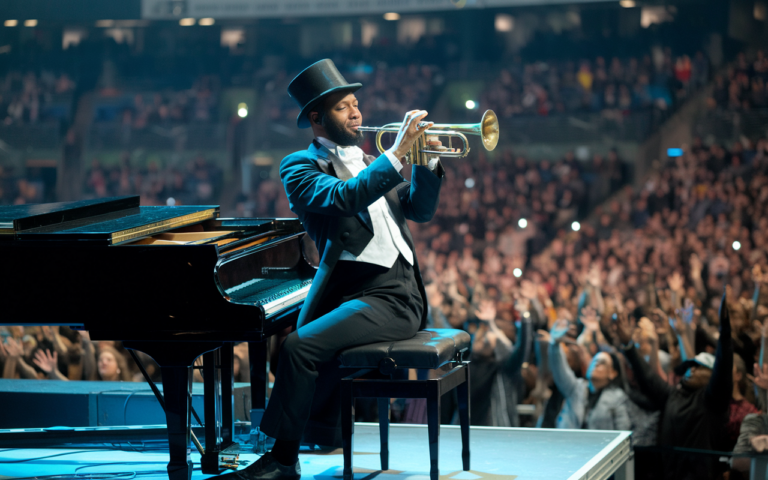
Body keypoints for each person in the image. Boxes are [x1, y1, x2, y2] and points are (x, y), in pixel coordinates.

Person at [222, 59, 445, 479]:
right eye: (344, 107)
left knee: (299, 347)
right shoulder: (298, 167)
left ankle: (282, 462)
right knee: (298, 348)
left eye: (356, 103)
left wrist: (427, 163)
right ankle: (287, 454)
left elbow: (421, 209)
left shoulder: (369, 161)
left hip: (398, 295)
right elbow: (345, 198)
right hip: (359, 292)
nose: (357, 112)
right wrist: (396, 155)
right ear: (316, 117)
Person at [614, 291, 733, 480]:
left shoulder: (713, 401)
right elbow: (648, 378)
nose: (690, 370)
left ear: (712, 376)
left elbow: (724, 371)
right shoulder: (673, 395)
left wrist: (725, 334)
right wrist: (628, 347)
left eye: (698, 368)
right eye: (688, 367)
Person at [548, 319, 631, 430]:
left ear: (612, 373)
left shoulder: (617, 399)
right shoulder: (575, 388)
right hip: (567, 445)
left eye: (602, 363)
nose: (595, 364)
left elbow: (623, 434)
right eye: (594, 361)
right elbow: (559, 370)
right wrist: (555, 344)